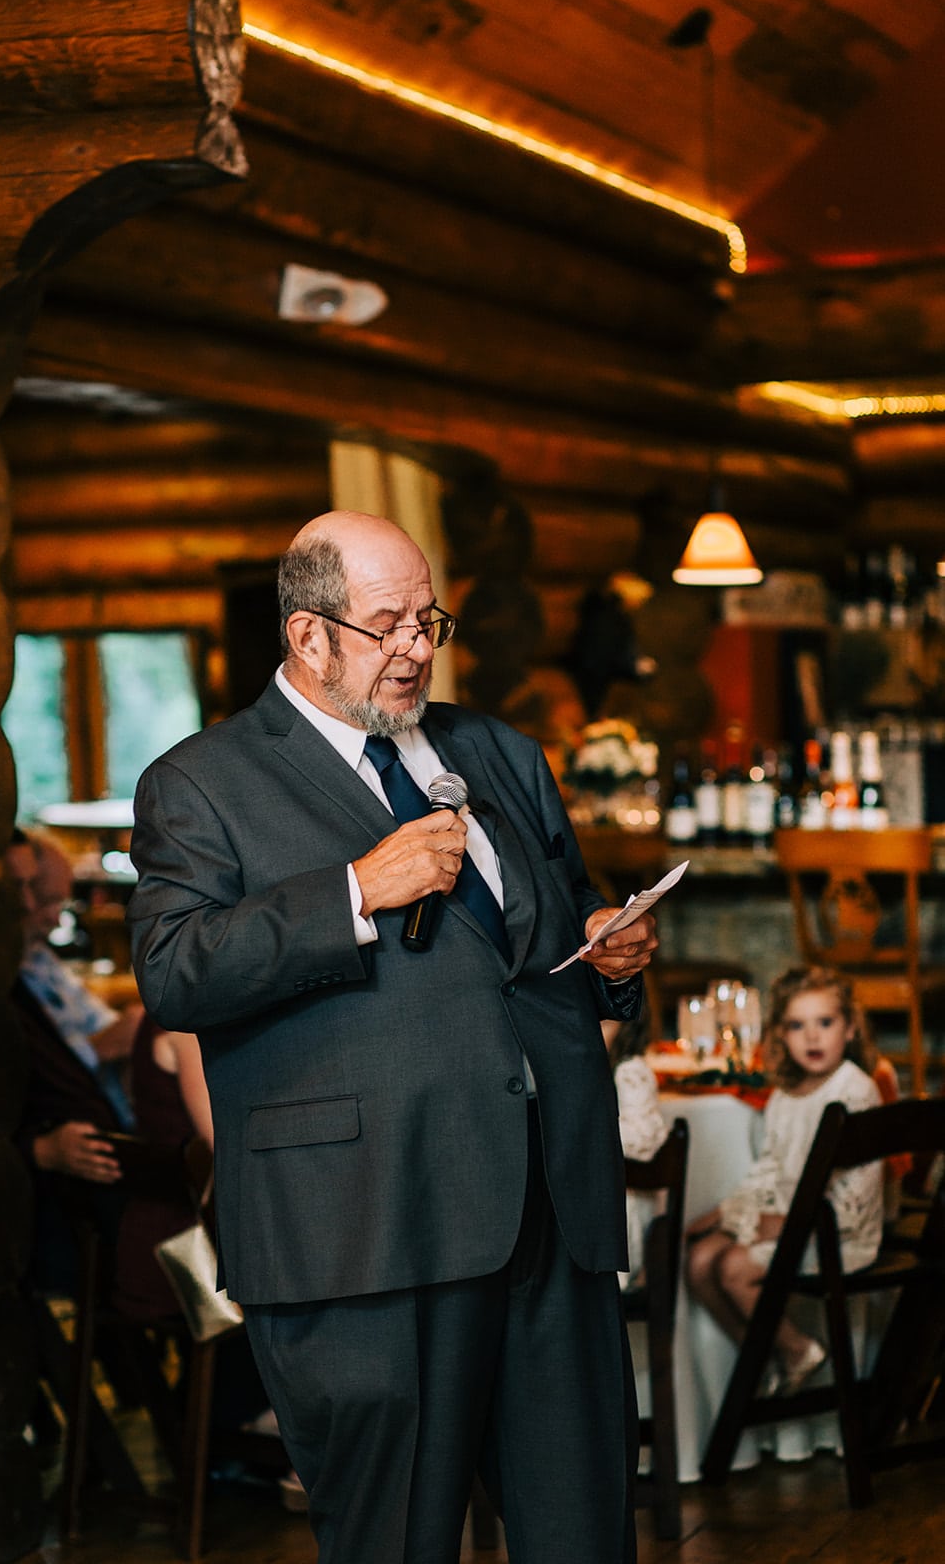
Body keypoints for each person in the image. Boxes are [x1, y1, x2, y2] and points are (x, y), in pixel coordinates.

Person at [126, 509, 658, 1564]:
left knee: (583, 1534)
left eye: (429, 619)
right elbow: (174, 970)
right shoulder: (202, 783)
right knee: (397, 1542)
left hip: (545, 1210)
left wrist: (605, 948)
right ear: (307, 635)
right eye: (388, 625)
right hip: (365, 1229)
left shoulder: (495, 751)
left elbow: (548, 920)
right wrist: (353, 893)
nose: (418, 646)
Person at [685, 964, 884, 1393]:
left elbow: (856, 1193)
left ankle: (797, 1349)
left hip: (839, 1234)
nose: (812, 1037)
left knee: (735, 1269)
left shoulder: (855, 1090)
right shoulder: (783, 1098)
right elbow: (769, 1170)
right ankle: (763, 1356)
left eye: (825, 1023)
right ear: (780, 1035)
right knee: (700, 1263)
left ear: (850, 1029)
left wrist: (793, 1222)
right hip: (790, 1221)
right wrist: (727, 1213)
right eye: (797, 1025)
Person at [5, 829, 139, 1293]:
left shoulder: (36, 960)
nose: (33, 910)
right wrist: (39, 1148)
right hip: (55, 1191)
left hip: (108, 1143)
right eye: (43, 898)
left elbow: (99, 1038)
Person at [602, 1017, 669, 1291]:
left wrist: (586, 1129)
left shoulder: (630, 1070)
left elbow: (644, 1138)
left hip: (624, 1208)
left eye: (603, 1021)